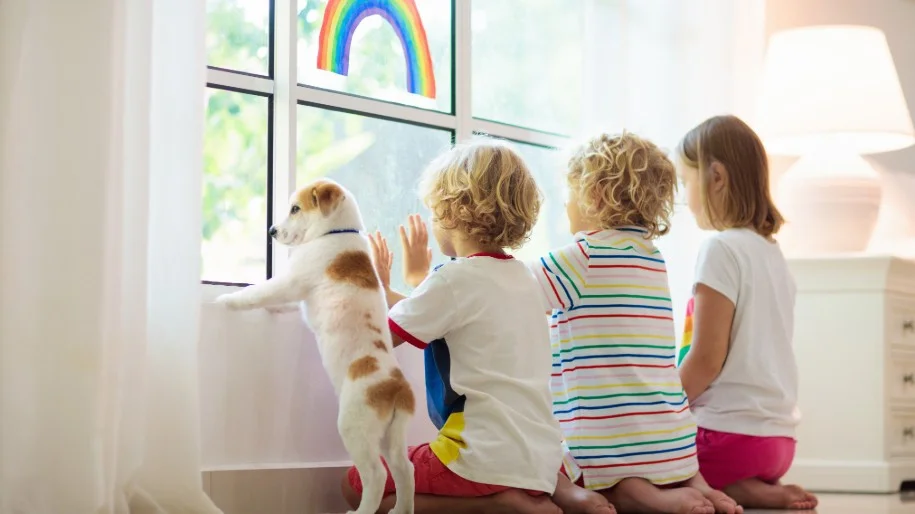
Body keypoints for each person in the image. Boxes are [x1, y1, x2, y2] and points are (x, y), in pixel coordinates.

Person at [345, 139, 612, 514]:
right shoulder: (527, 278)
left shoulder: (454, 279)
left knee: (358, 482)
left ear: (454, 212)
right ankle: (525, 498)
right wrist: (393, 289)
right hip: (539, 457)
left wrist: (361, 287)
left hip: (480, 455)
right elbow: (443, 312)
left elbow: (385, 334)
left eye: (435, 212)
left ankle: (497, 505)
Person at [528, 133, 741, 514]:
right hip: (670, 438)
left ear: (593, 196)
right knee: (658, 458)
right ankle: (696, 485)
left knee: (545, 457)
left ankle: (640, 496)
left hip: (607, 442)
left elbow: (508, 293)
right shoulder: (651, 258)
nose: (565, 204)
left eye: (570, 195)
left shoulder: (580, 257)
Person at [676, 115, 818, 511]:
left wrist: (663, 410)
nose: (684, 197)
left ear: (716, 177)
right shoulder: (772, 253)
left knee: (637, 466)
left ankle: (735, 487)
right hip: (778, 445)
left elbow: (705, 360)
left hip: (725, 441)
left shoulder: (720, 248)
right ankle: (754, 484)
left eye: (686, 181)